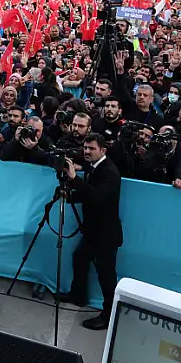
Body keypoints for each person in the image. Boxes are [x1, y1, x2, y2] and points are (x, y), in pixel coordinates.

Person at [56, 133, 122, 330]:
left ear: (103, 150)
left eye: (91, 148)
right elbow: (88, 194)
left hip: (106, 234)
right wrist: (70, 196)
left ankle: (108, 314)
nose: (86, 151)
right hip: (93, 230)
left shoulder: (109, 172)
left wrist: (75, 180)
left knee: (106, 275)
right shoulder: (94, 167)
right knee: (80, 257)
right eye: (85, 148)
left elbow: (97, 196)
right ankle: (78, 295)